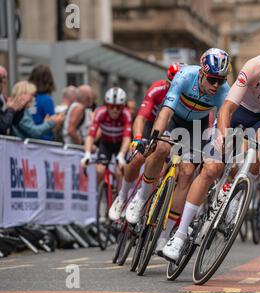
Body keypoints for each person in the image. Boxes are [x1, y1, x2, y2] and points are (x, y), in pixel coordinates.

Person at [163, 39, 260, 261]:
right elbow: (228, 107)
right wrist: (223, 135)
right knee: (211, 168)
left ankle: (236, 198)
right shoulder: (255, 66)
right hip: (238, 112)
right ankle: (180, 235)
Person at [123, 49, 231, 259]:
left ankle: (165, 235)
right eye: (212, 79)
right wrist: (156, 137)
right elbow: (166, 112)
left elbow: (220, 124)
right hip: (175, 118)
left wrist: (221, 145)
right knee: (161, 147)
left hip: (197, 126)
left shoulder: (222, 91)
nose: (215, 85)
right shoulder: (185, 76)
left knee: (188, 171)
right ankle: (141, 196)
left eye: (220, 80)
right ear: (201, 73)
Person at [108, 62, 183, 221]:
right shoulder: (158, 89)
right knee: (138, 157)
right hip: (151, 124)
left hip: (172, 127)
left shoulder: (188, 95)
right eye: (172, 83)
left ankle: (149, 206)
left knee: (164, 168)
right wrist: (136, 139)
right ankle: (122, 197)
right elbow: (141, 117)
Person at [80, 87, 132, 186]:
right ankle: (96, 195)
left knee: (119, 172)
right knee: (100, 170)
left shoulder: (126, 114)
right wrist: (87, 153)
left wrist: (121, 155)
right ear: (106, 105)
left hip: (120, 144)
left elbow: (127, 137)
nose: (115, 110)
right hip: (106, 144)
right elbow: (91, 135)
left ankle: (120, 199)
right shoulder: (100, 112)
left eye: (119, 107)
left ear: (123, 106)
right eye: (111, 106)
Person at [28, 64, 58, 141]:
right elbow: (52, 124)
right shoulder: (47, 100)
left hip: (28, 141)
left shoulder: (27, 98)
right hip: (44, 142)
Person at [1, 66, 32, 135]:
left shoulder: (3, 97)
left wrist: (18, 109)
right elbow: (2, 125)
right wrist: (11, 109)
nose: (3, 82)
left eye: (4, 78)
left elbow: (13, 122)